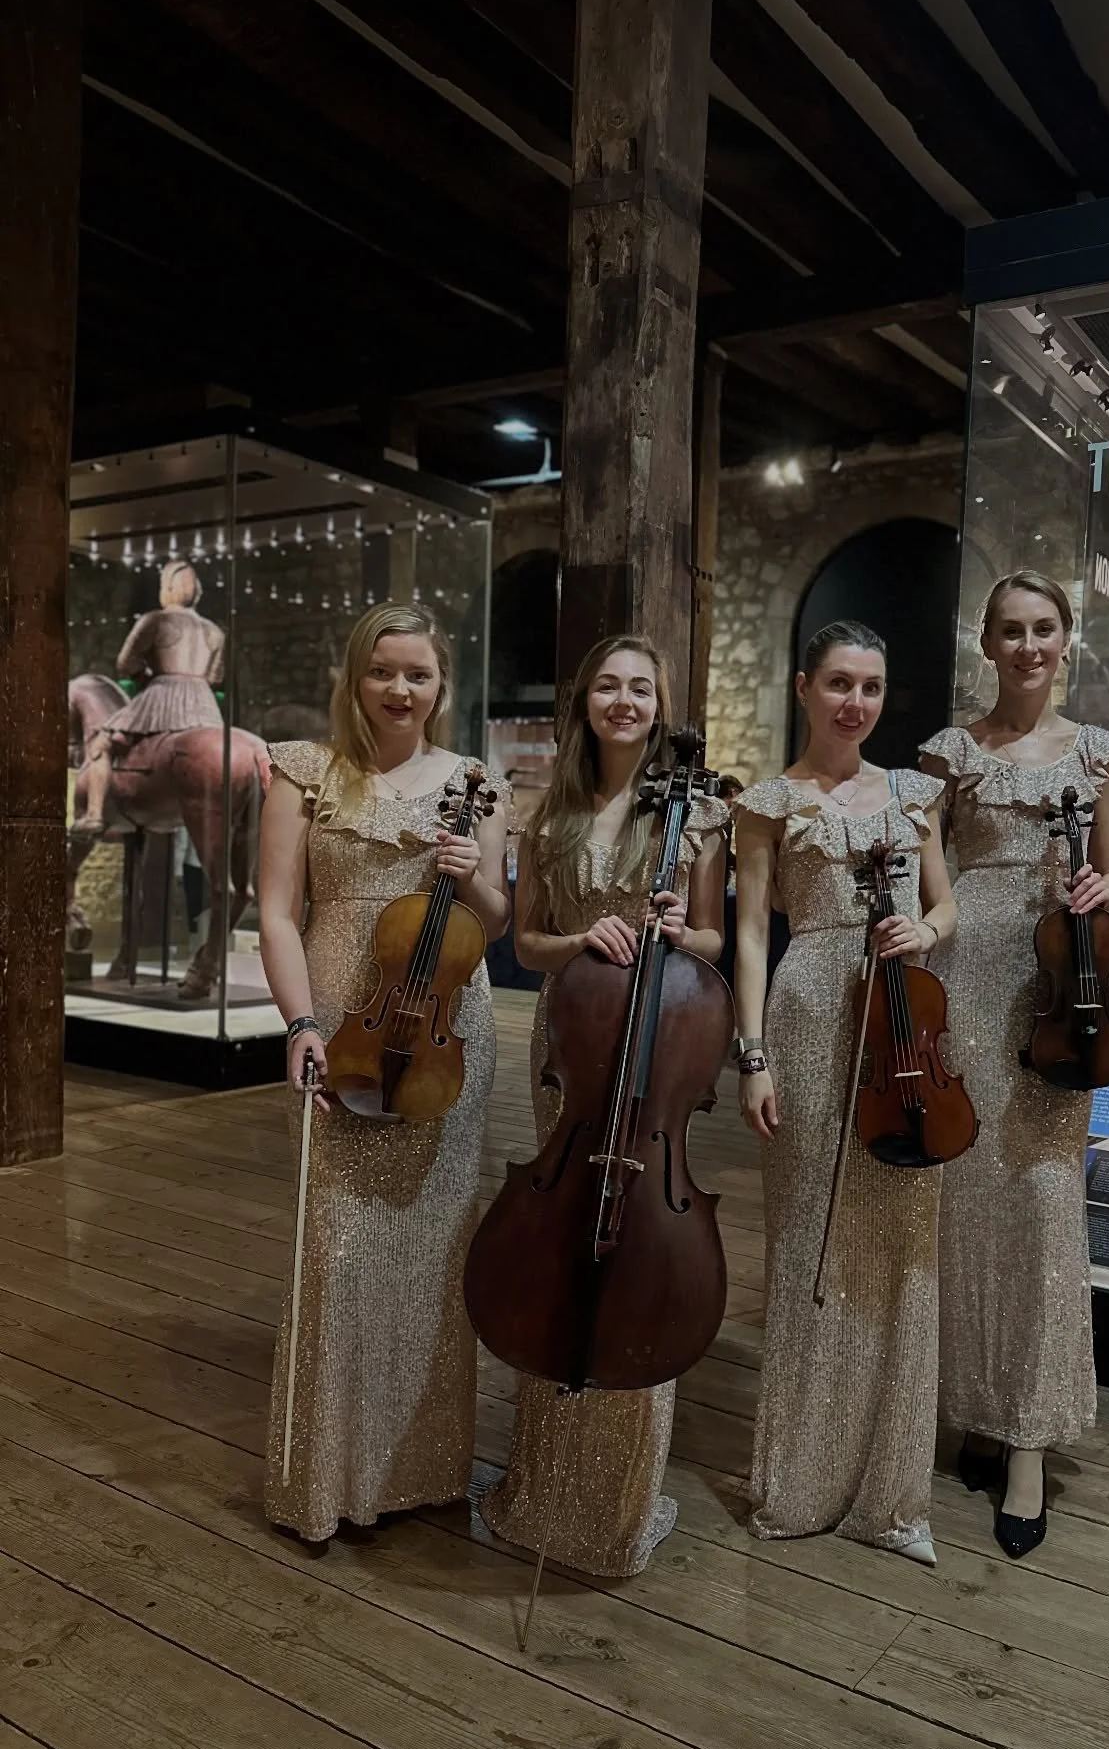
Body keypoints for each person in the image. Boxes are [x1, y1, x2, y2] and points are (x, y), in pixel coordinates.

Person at [257, 602, 511, 1543]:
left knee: (432, 1246)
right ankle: (325, 1481)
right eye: (382, 671)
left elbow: (498, 919)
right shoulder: (304, 771)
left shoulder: (476, 782)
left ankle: (421, 1471)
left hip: (444, 1026)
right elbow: (276, 910)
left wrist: (470, 874)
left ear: (442, 686)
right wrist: (299, 1023)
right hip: (339, 1019)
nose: (400, 689)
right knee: (337, 1248)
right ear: (355, 676)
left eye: (418, 674)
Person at [479, 635, 727, 1576]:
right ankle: (542, 1482)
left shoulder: (695, 814)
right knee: (560, 1234)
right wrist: (584, 937)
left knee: (638, 1247)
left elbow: (712, 939)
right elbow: (527, 946)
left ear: (660, 706)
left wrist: (678, 930)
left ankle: (616, 1500)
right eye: (608, 687)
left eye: (641, 690)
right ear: (585, 701)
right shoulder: (549, 812)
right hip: (574, 1044)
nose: (624, 702)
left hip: (660, 1039)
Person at [733, 620, 954, 1563]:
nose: (854, 703)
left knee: (902, 1243)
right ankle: (798, 1481)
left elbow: (946, 902)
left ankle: (892, 1497)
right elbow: (751, 934)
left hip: (903, 1022)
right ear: (804, 688)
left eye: (870, 687)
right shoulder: (767, 803)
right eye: (838, 684)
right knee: (808, 1243)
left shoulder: (914, 794)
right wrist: (753, 1056)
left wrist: (925, 933)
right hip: (810, 1012)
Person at [920, 571, 1109, 1559]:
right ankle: (979, 1408)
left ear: (1066, 639)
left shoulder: (1099, 752)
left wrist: (1102, 888)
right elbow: (931, 878)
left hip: (1056, 989)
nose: (1028, 646)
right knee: (971, 1204)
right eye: (1011, 630)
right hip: (969, 978)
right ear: (987, 644)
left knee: (1043, 1204)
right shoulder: (949, 754)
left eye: (1044, 629)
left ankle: (1031, 1440)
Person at [74, 558, 225, 834]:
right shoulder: (214, 631)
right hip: (204, 709)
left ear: (168, 588)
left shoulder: (155, 620)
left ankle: (94, 814)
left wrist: (144, 676)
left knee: (102, 744)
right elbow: (215, 677)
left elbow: (125, 663)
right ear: (197, 591)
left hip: (162, 698)